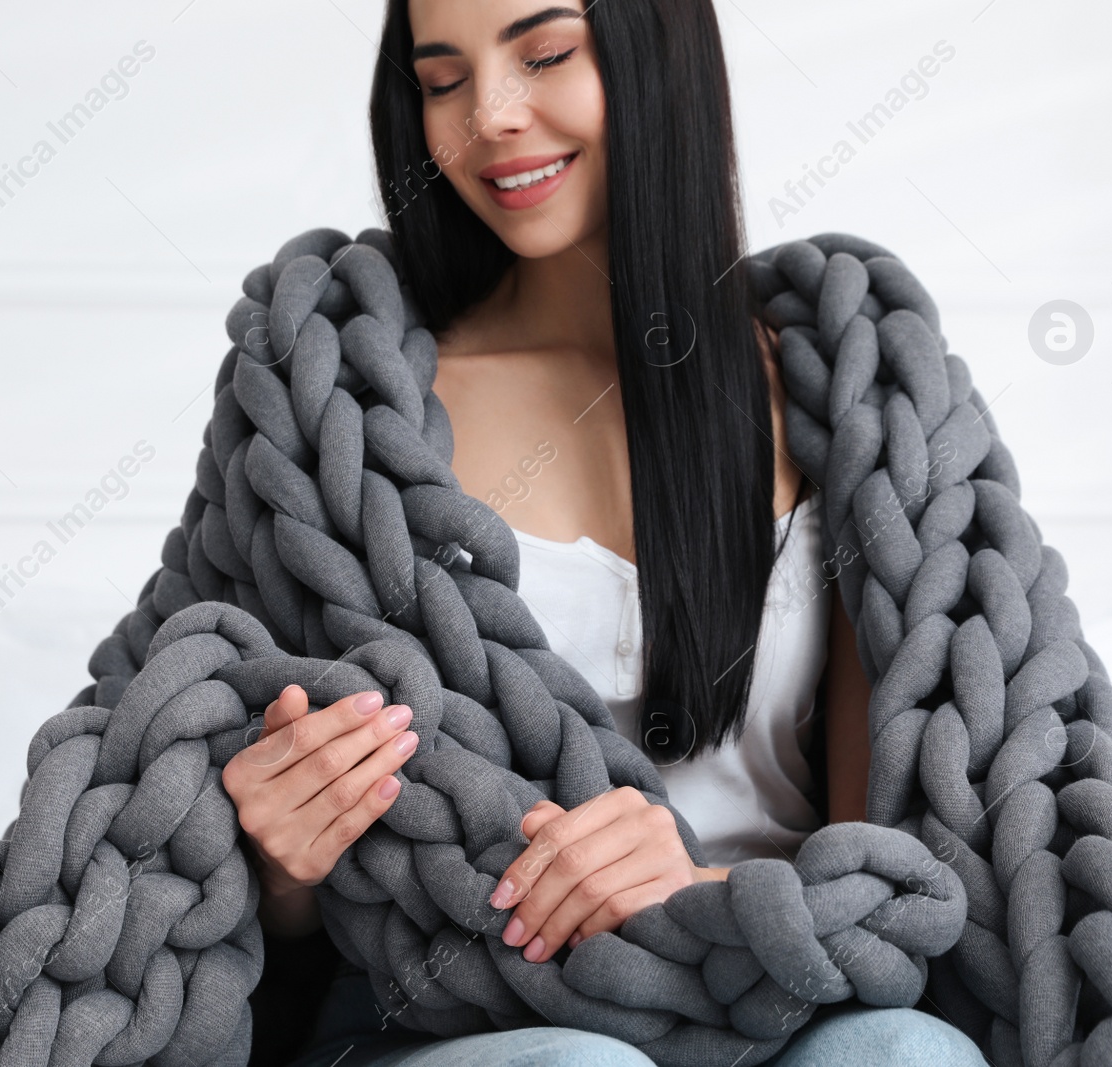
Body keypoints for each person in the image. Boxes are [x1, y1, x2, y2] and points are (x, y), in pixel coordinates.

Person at [220, 1, 991, 1064]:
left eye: (544, 54)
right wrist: (275, 864)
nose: (488, 115)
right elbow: (260, 896)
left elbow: (894, 853)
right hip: (457, 1014)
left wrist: (706, 890)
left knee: (909, 1052)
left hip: (781, 987)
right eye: (441, 80)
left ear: (655, 53)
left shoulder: (846, 397)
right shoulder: (333, 406)